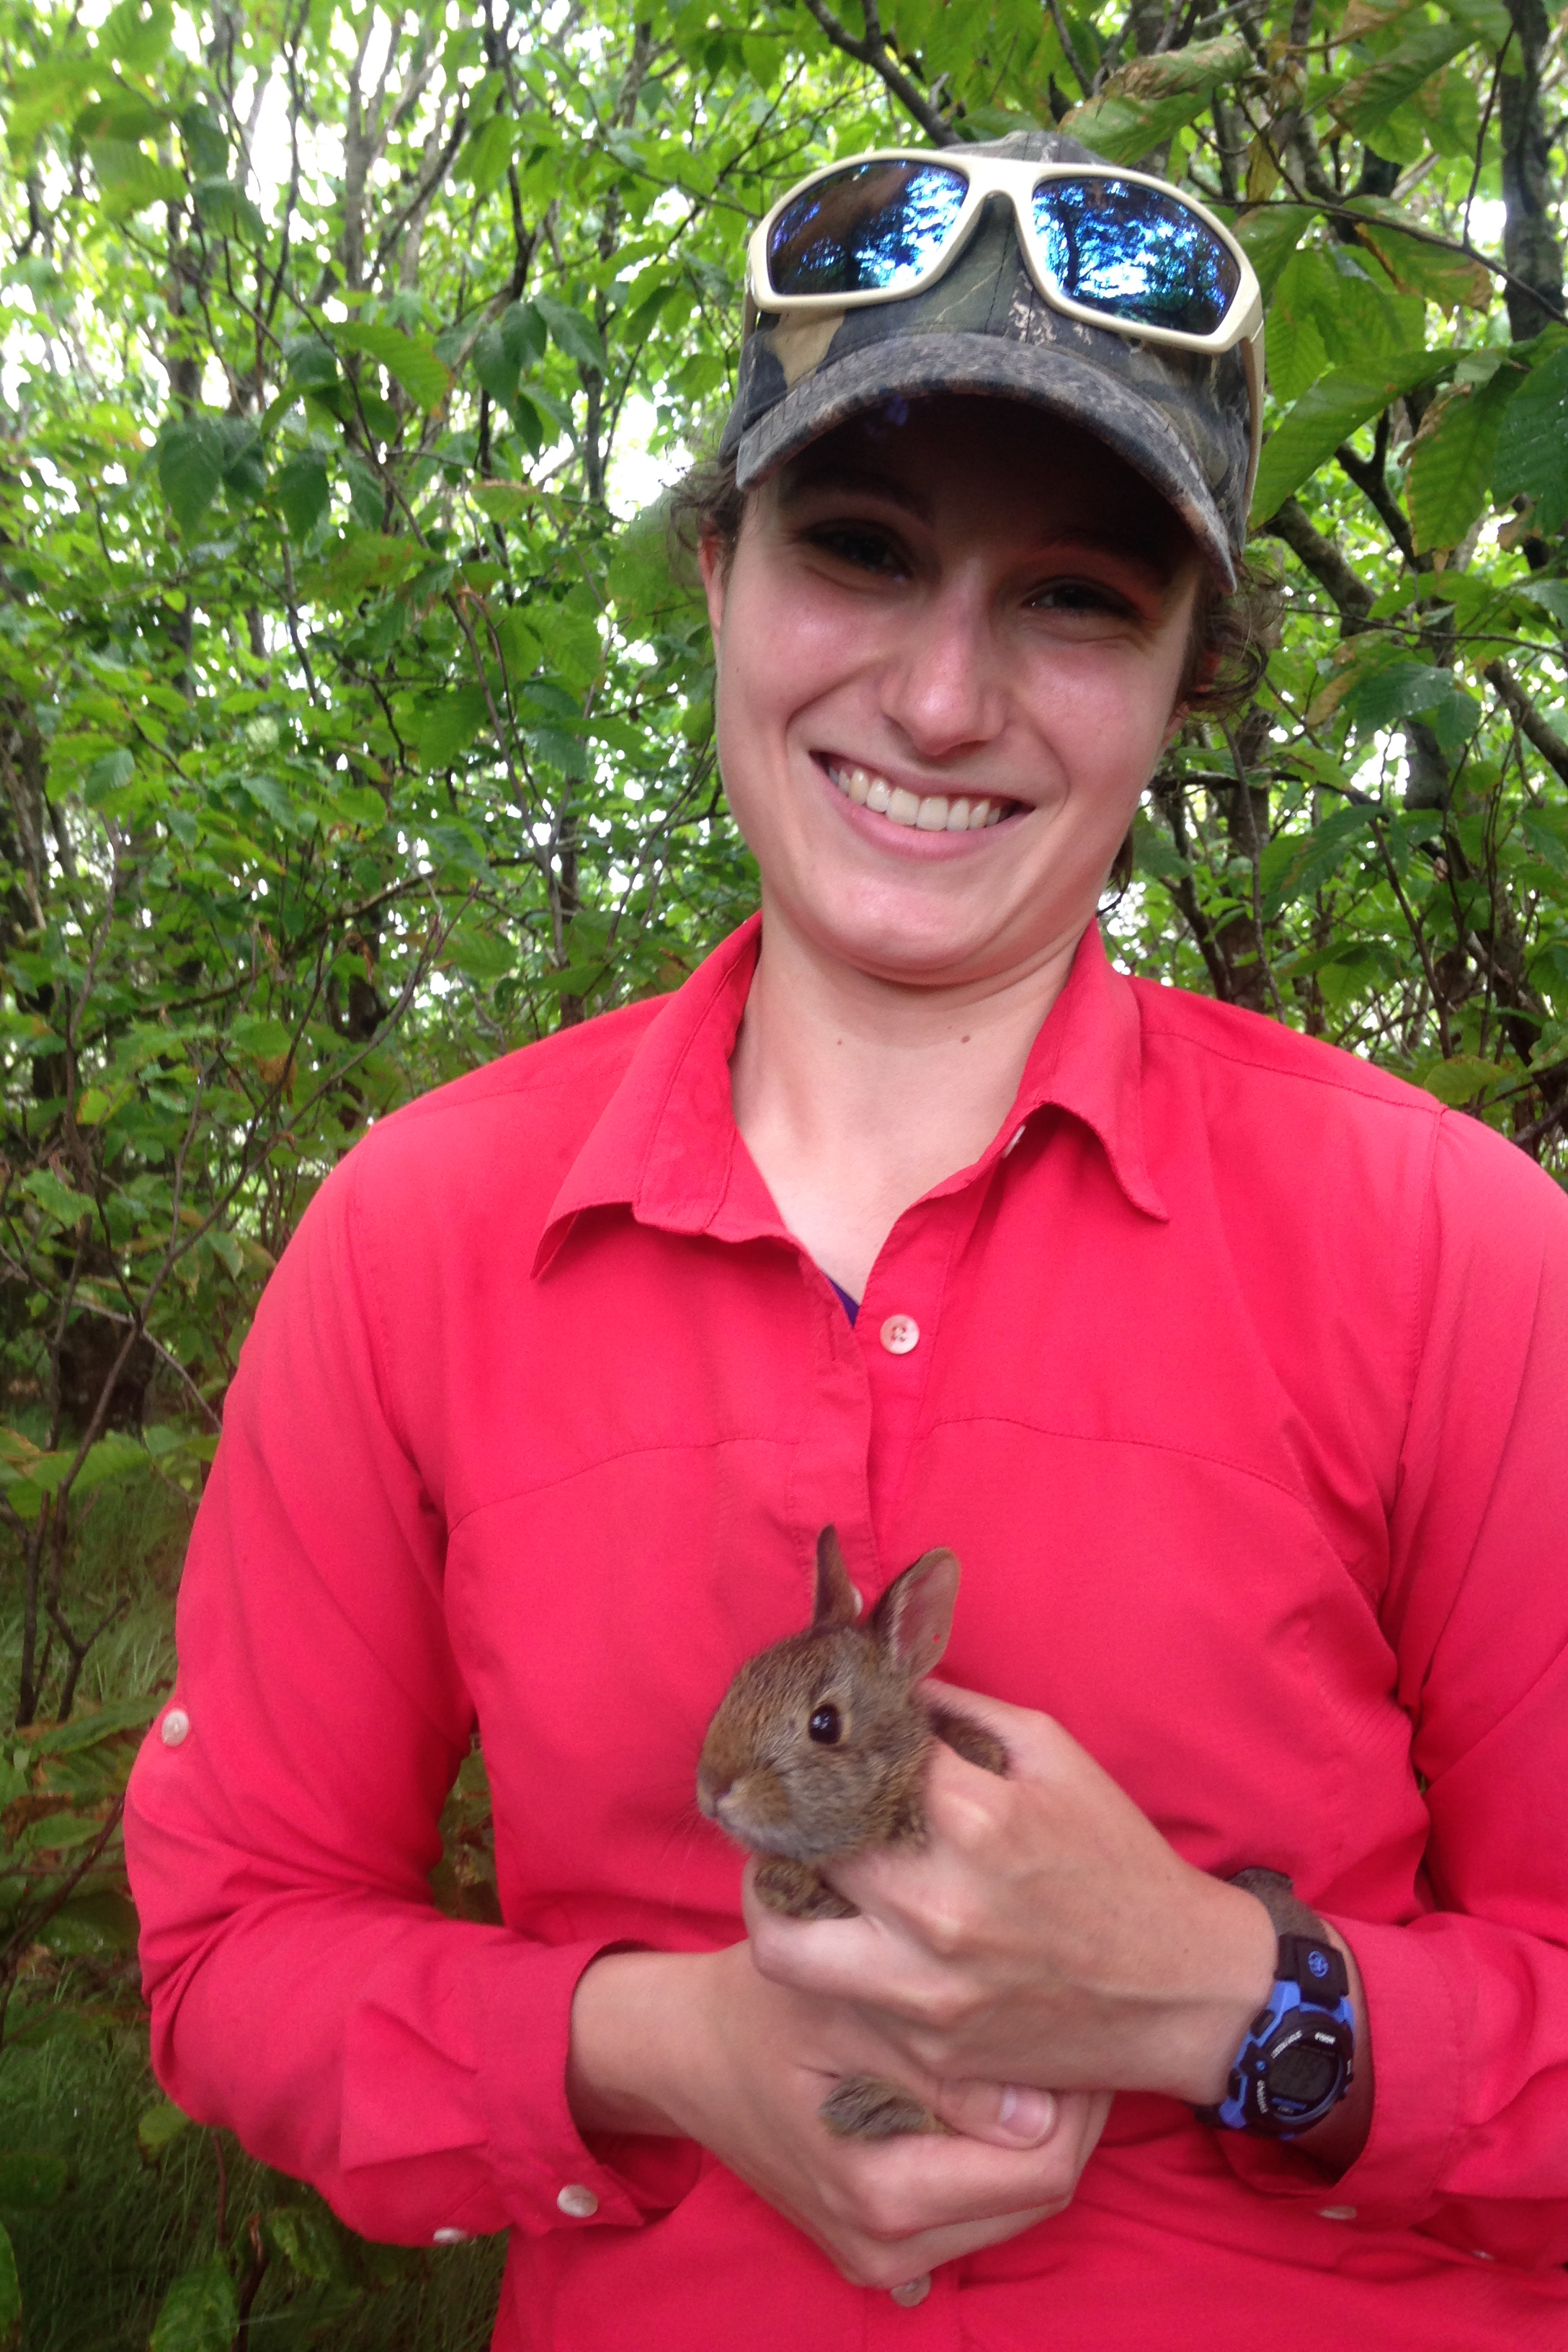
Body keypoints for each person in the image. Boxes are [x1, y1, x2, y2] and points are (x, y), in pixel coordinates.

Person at [125, 132, 1568, 2350]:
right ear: (716, 571)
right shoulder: (416, 1238)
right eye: (860, 549)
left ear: (1191, 678)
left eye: (1078, 596)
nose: (937, 701)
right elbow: (233, 1953)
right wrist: (659, 2050)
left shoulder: (1463, 1252)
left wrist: (1237, 2006)